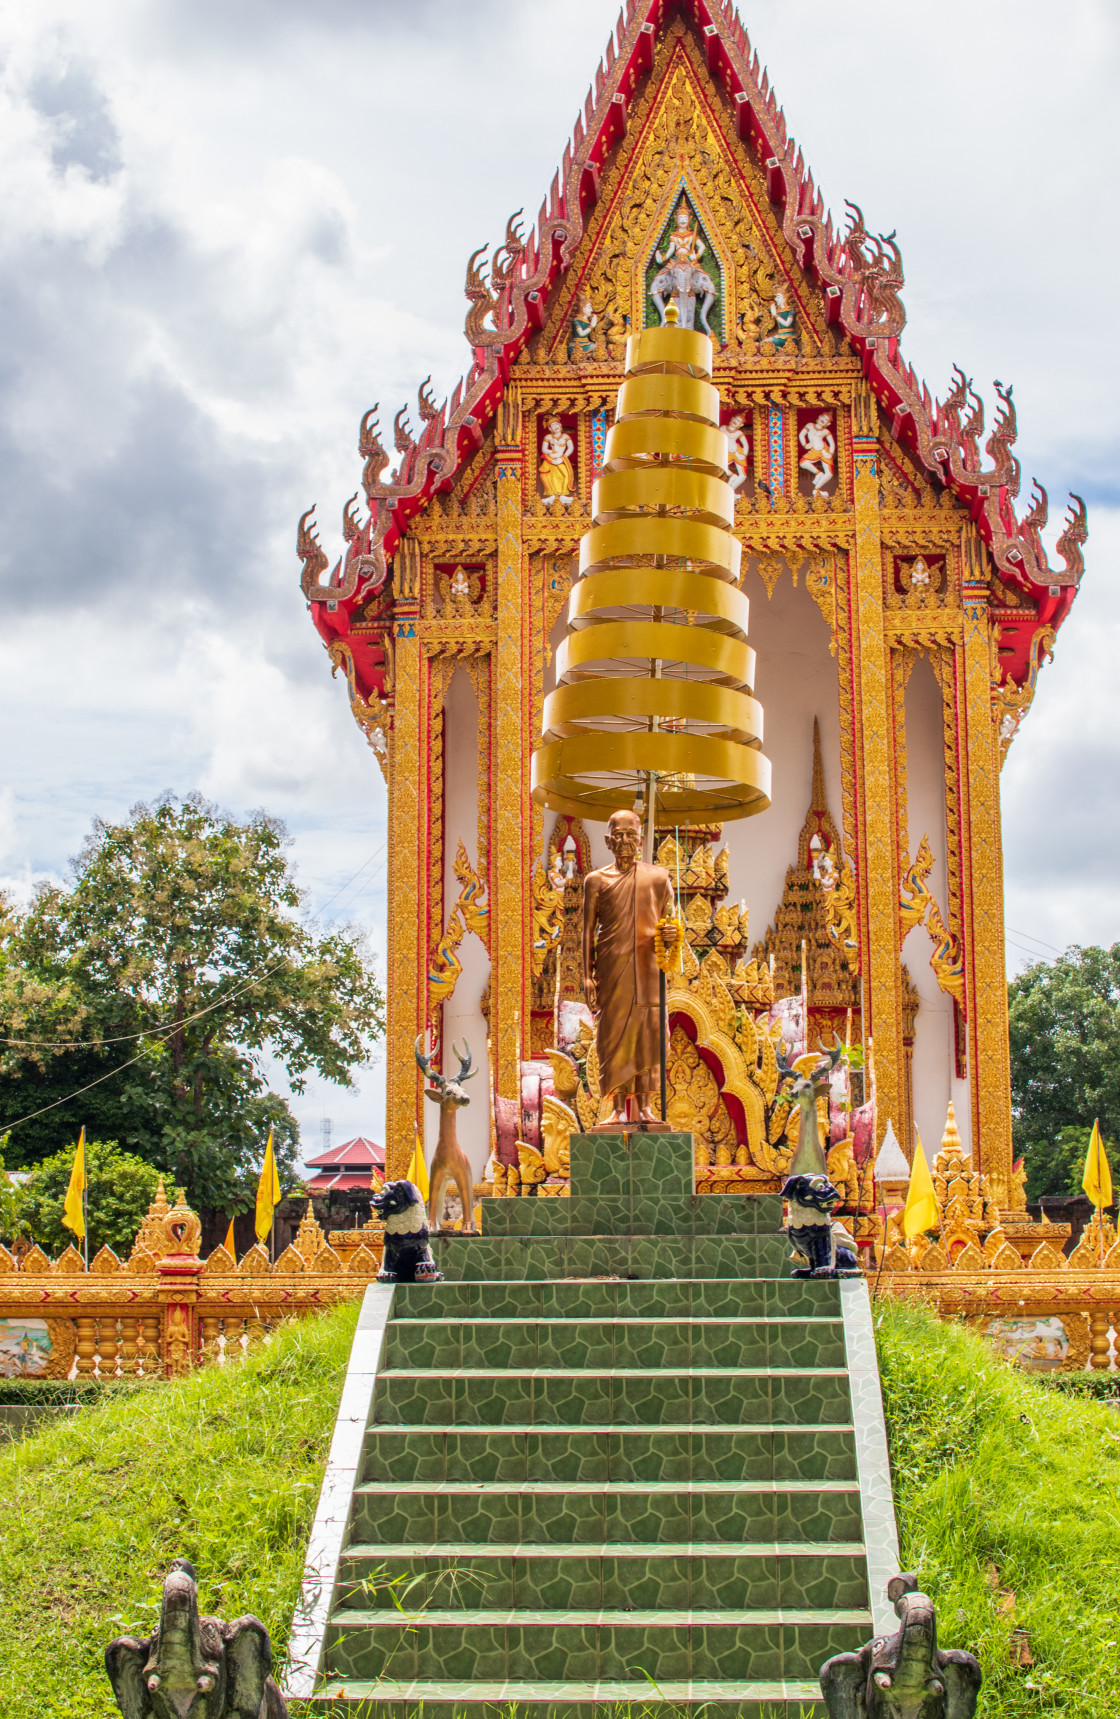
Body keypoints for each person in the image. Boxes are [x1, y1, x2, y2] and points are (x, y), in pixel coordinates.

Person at [582, 808, 678, 1123]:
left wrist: (671, 932)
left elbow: (672, 923)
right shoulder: (595, 881)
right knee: (613, 1034)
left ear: (640, 839)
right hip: (611, 967)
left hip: (649, 967)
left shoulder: (659, 877)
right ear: (609, 841)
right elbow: (586, 931)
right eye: (618, 835)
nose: (625, 841)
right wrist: (586, 975)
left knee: (649, 1032)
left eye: (630, 834)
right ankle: (618, 1109)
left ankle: (647, 1106)